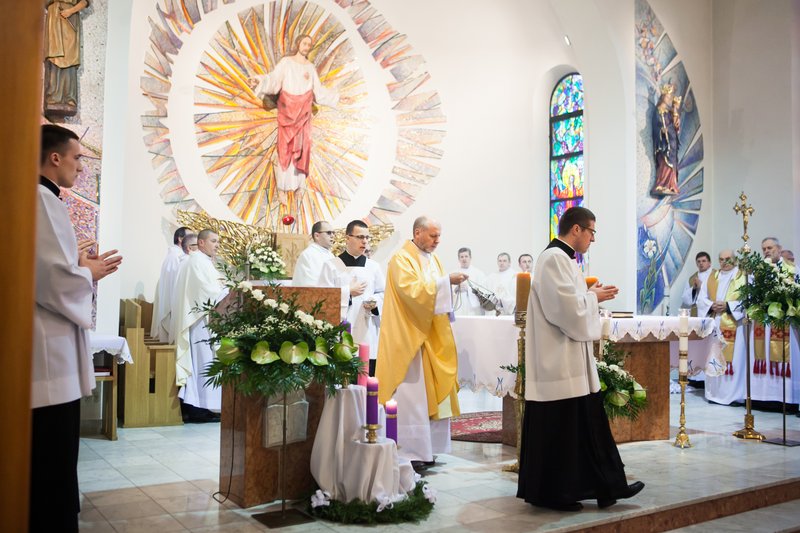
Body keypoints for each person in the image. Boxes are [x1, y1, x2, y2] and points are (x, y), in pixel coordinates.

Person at [517, 206, 643, 512]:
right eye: (591, 232)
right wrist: (593, 297)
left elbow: (570, 302)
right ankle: (554, 493)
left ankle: (605, 487)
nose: (593, 239)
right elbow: (564, 310)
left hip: (570, 359)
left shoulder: (564, 259)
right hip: (558, 362)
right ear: (577, 229)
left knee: (581, 427)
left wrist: (589, 294)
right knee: (562, 431)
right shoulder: (553, 259)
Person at [32, 124, 122, 531]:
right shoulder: (42, 199)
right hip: (48, 351)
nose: (82, 167)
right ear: (55, 157)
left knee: (55, 452)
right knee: (53, 453)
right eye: (77, 157)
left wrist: (80, 266)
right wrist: (88, 273)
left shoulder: (43, 198)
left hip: (50, 343)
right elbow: (52, 279)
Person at [376, 216, 466, 465]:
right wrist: (446, 282)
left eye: (439, 236)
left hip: (431, 335)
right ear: (417, 233)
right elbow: (411, 292)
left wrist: (446, 284)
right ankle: (410, 450)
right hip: (409, 336)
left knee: (430, 393)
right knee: (412, 395)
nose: (437, 241)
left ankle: (429, 449)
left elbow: (434, 291)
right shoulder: (401, 259)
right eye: (433, 235)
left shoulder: (433, 259)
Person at [249, 35, 343, 205]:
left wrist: (338, 97)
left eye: (309, 44)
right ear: (298, 43)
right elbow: (274, 80)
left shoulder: (310, 68)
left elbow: (319, 92)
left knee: (302, 150)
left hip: (303, 115)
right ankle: (282, 188)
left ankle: (299, 185)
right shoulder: (286, 62)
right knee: (285, 150)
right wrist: (259, 80)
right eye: (304, 43)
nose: (307, 46)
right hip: (287, 112)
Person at [172, 229, 227, 421]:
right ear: (201, 242)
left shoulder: (201, 261)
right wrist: (228, 292)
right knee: (203, 363)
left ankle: (202, 406)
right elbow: (207, 292)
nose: (217, 245)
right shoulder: (196, 261)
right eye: (213, 241)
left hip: (204, 320)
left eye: (218, 241)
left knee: (205, 362)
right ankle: (198, 409)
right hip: (199, 321)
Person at [318, 220, 385, 375]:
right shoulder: (331, 266)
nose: (365, 241)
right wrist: (348, 292)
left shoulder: (374, 267)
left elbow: (383, 293)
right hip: (340, 333)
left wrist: (375, 303)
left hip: (366, 330)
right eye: (360, 237)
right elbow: (323, 298)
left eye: (367, 237)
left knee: (365, 376)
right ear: (347, 238)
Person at [700, 250, 747, 404]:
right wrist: (711, 305)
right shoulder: (712, 277)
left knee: (734, 359)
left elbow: (748, 300)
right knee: (713, 357)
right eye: (721, 259)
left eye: (728, 259)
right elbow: (701, 299)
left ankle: (733, 396)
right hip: (715, 323)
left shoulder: (742, 276)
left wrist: (728, 306)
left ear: (735, 259)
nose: (724, 262)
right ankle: (713, 394)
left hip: (734, 324)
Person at [44, 0, 89, 117]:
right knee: (54, 56)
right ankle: (53, 97)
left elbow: (84, 2)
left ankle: (69, 98)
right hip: (54, 16)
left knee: (70, 58)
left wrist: (71, 11)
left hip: (70, 17)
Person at [150, 227, 189, 342]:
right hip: (172, 306)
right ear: (180, 239)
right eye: (189, 236)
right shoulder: (175, 257)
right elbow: (173, 285)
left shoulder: (180, 255)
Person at [651, 84, 681, 196]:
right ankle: (662, 183)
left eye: (669, 98)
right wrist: (661, 130)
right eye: (668, 97)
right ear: (663, 97)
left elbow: (675, 126)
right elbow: (655, 126)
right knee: (664, 161)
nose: (669, 100)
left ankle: (671, 185)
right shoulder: (658, 111)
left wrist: (676, 122)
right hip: (664, 142)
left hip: (672, 140)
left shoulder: (668, 113)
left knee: (673, 162)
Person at [292, 220, 335, 286]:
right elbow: (311, 284)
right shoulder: (309, 254)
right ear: (317, 236)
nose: (332, 236)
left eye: (333, 233)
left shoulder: (330, 255)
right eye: (329, 233)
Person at [453, 247, 486, 316]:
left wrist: (468, 289)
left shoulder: (479, 274)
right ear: (459, 259)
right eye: (462, 257)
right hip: (458, 308)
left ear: (470, 258)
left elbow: (483, 291)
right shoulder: (453, 274)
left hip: (473, 309)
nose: (464, 259)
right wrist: (455, 289)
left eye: (466, 256)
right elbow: (448, 290)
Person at [680, 251, 715, 317]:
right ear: (696, 264)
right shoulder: (692, 279)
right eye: (698, 261)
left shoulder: (716, 275)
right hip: (697, 312)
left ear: (709, 263)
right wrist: (694, 289)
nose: (701, 263)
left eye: (704, 261)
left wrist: (701, 286)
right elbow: (685, 299)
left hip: (712, 310)